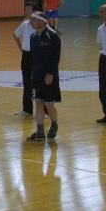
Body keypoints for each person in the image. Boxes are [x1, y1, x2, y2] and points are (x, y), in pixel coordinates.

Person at [26, 13, 61, 142]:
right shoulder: (32, 37)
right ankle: (40, 131)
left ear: (42, 22)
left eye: (33, 19)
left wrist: (51, 73)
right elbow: (33, 58)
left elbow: (55, 57)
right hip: (36, 76)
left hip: (49, 77)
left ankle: (54, 124)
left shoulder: (53, 37)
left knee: (49, 104)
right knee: (39, 102)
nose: (31, 22)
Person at [12, 5, 35, 117]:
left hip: (37, 56)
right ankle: (27, 109)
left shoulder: (40, 24)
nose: (26, 12)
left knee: (39, 83)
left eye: (28, 10)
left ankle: (44, 110)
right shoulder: (25, 24)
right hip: (26, 56)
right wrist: (20, 47)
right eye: (25, 9)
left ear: (34, 11)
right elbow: (15, 34)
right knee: (26, 82)